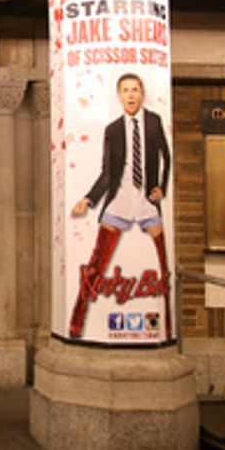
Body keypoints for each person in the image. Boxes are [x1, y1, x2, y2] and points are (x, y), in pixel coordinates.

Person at [68, 72, 172, 340]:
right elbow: (106, 173)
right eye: (126, 90)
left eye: (135, 89)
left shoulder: (153, 121)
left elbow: (166, 156)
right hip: (121, 199)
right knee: (96, 264)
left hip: (147, 201)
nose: (130, 95)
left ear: (142, 93)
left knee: (163, 264)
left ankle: (168, 326)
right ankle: (76, 323)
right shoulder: (113, 130)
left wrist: (162, 187)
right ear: (119, 95)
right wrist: (89, 199)